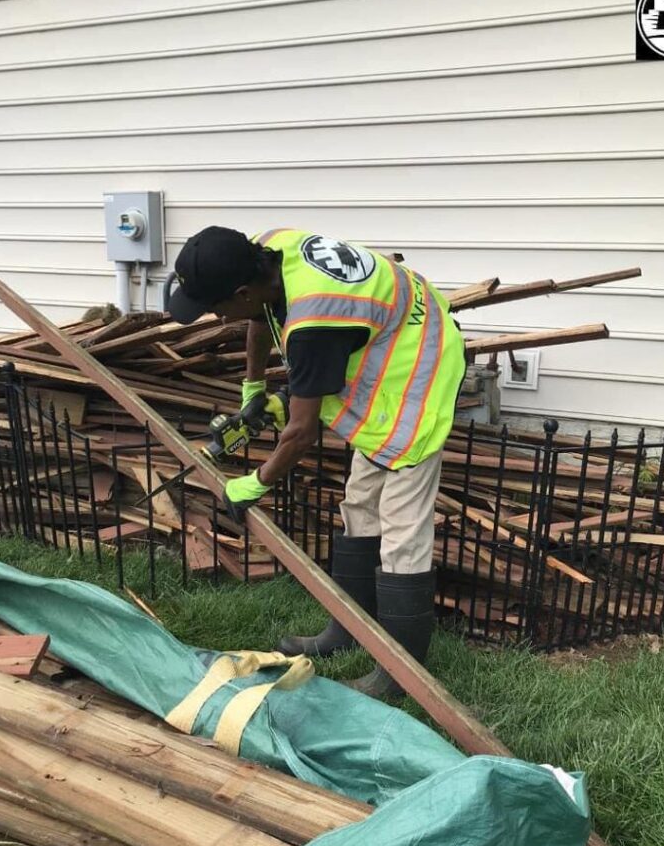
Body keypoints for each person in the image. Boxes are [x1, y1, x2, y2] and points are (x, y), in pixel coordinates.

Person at [168, 226, 467, 698]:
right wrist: (254, 390)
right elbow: (258, 322)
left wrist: (257, 482)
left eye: (216, 308)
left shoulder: (313, 321)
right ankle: (347, 629)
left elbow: (302, 432)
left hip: (420, 363)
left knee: (402, 527)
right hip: (383, 340)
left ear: (242, 291)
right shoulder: (268, 251)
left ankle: (400, 674)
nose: (216, 316)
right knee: (360, 503)